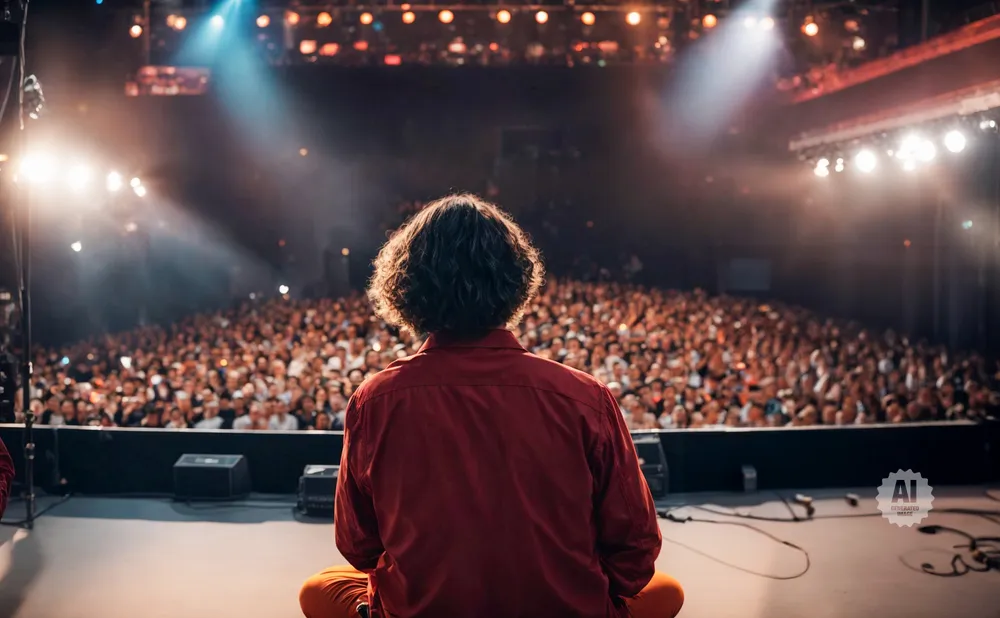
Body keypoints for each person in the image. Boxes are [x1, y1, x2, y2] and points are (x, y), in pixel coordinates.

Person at [299, 194, 683, 618]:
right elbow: (636, 545)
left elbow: (358, 545)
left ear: (405, 288)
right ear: (515, 282)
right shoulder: (584, 396)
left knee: (319, 590)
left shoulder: (375, 399)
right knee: (666, 591)